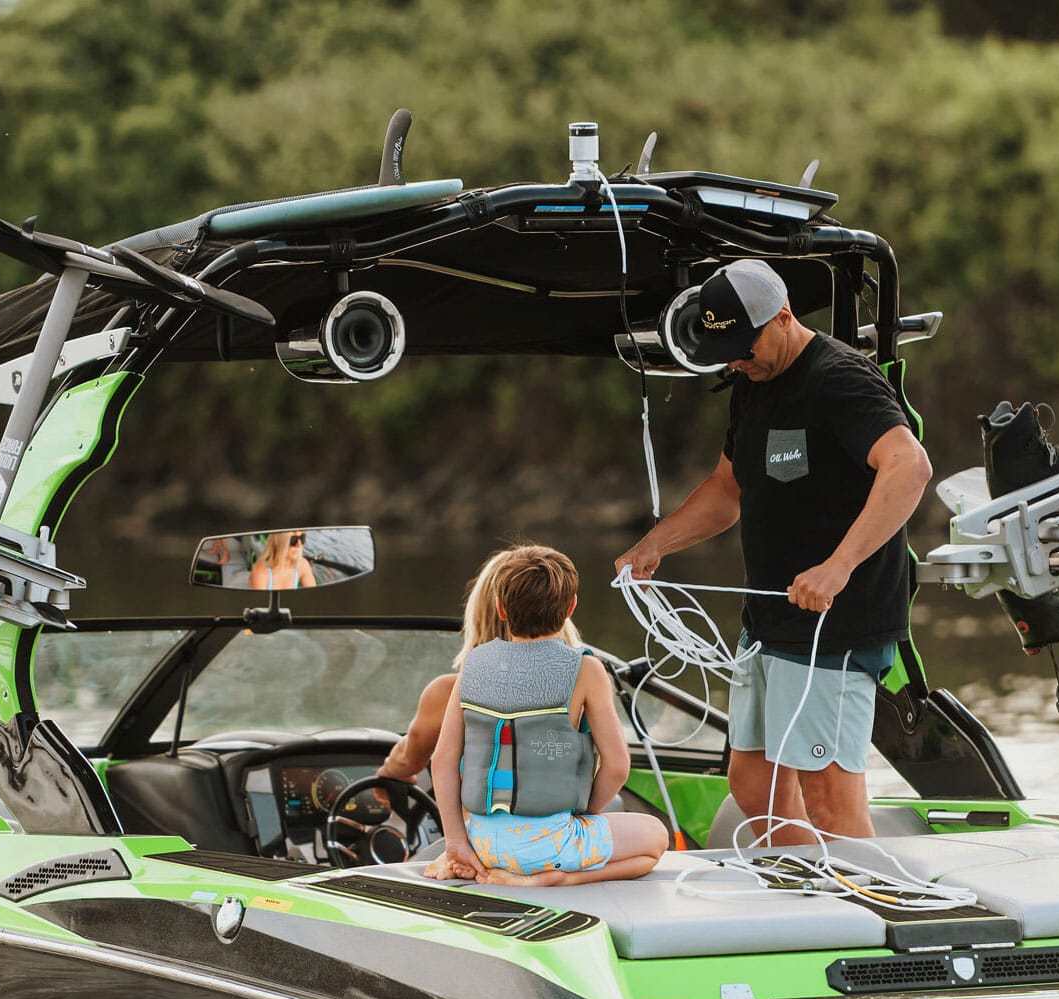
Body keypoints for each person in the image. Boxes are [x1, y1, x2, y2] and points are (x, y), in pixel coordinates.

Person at [616, 259, 932, 845]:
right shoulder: (751, 382)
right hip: (767, 623)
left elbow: (910, 466)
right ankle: (799, 894)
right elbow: (726, 489)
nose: (736, 359)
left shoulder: (840, 378)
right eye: (725, 348)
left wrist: (838, 567)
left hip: (833, 626)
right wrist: (653, 545)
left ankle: (860, 917)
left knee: (831, 803)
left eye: (743, 344)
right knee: (753, 784)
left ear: (783, 317)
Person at [427, 545, 668, 887]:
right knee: (655, 837)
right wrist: (585, 816)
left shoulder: (473, 665)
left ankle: (505, 863)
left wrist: (456, 843)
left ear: (501, 608)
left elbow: (443, 760)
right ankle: (557, 879)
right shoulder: (586, 669)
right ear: (570, 607)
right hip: (548, 844)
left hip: (480, 842)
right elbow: (617, 766)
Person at [374, 547, 581, 790]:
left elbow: (408, 759)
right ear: (566, 611)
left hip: (480, 825)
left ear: (484, 614)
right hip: (565, 817)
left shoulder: (449, 691)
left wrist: (388, 771)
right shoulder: (582, 679)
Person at [249, 530, 317, 590]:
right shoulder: (260, 571)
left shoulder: (303, 565)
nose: (299, 545)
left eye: (302, 538)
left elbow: (313, 597)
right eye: (293, 540)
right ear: (280, 541)